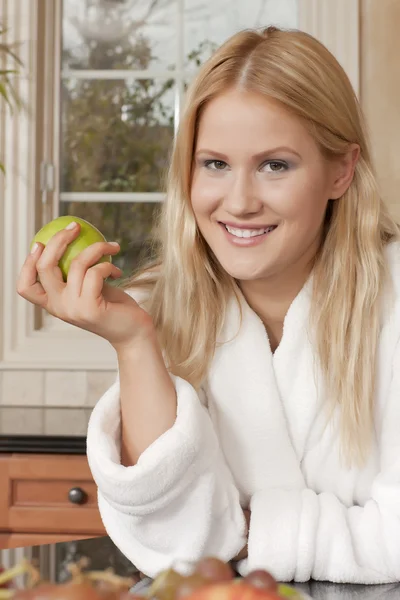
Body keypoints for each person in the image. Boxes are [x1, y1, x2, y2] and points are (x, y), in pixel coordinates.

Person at [16, 26, 400, 585]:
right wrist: (134, 341)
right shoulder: (167, 311)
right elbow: (173, 543)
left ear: (340, 170)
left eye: (276, 165)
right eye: (215, 164)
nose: (239, 202)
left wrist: (248, 534)